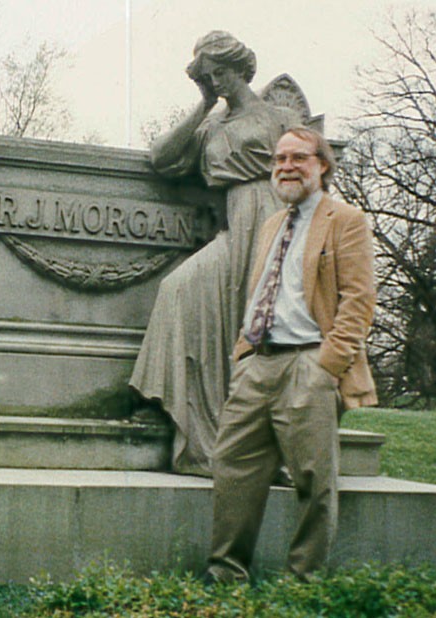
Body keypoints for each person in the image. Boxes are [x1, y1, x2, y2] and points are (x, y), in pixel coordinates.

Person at [206, 127, 377, 583]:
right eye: (279, 159)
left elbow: (359, 302)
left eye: (298, 157)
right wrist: (243, 354)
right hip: (258, 361)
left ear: (322, 165)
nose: (286, 166)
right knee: (232, 469)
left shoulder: (346, 220)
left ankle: (303, 582)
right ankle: (226, 573)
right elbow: (263, 289)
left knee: (312, 480)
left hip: (309, 362)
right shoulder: (271, 224)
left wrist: (328, 366)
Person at [130, 31, 302, 475]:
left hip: (272, 219)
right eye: (209, 76)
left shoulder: (278, 116)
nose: (218, 81)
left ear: (240, 67)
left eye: (221, 72)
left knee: (267, 331)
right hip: (233, 223)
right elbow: (161, 159)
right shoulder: (211, 125)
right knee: (177, 290)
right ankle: (195, 426)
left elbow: (308, 170)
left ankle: (275, 449)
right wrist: (203, 103)